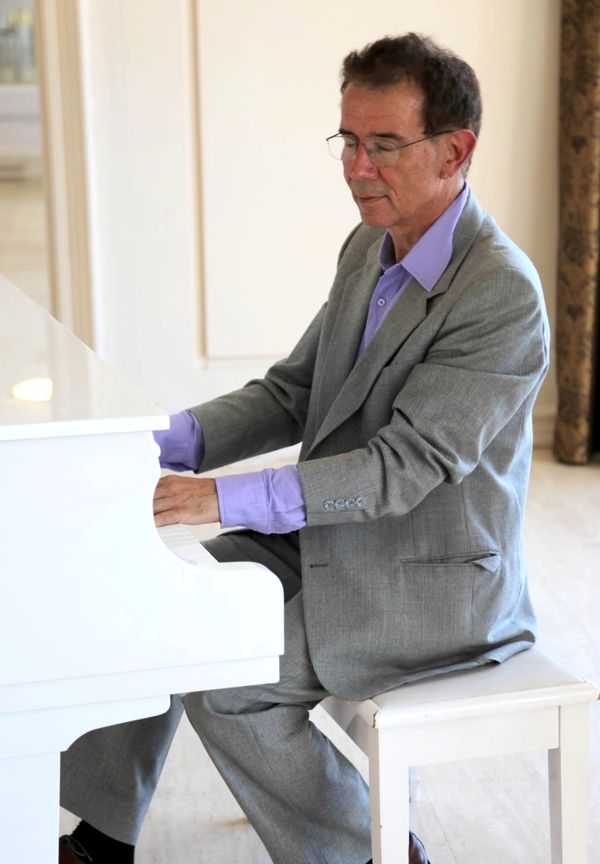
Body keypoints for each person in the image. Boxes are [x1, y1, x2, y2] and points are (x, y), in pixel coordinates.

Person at [59, 32, 549, 864]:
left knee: (231, 684)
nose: (357, 167)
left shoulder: (499, 293)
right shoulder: (370, 246)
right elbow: (294, 391)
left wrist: (223, 497)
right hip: (333, 537)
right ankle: (104, 838)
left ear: (455, 151)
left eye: (384, 144)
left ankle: (376, 856)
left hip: (430, 584)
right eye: (349, 141)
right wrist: (158, 442)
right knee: (160, 603)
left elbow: (400, 471)